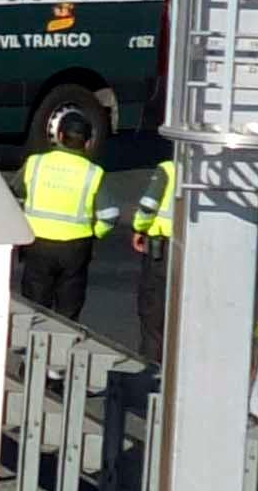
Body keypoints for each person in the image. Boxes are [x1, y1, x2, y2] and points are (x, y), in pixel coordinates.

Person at [18, 109, 112, 317]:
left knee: (34, 306)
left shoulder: (35, 163)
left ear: (59, 136)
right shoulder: (93, 173)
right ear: (87, 142)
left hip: (37, 242)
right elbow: (109, 215)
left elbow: (15, 195)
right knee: (68, 309)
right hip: (75, 248)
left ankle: (32, 347)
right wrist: (96, 232)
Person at [125, 146, 179, 363]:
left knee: (153, 315)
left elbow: (148, 206)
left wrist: (139, 228)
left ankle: (151, 369)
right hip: (198, 251)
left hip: (163, 251)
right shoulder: (213, 174)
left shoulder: (169, 169)